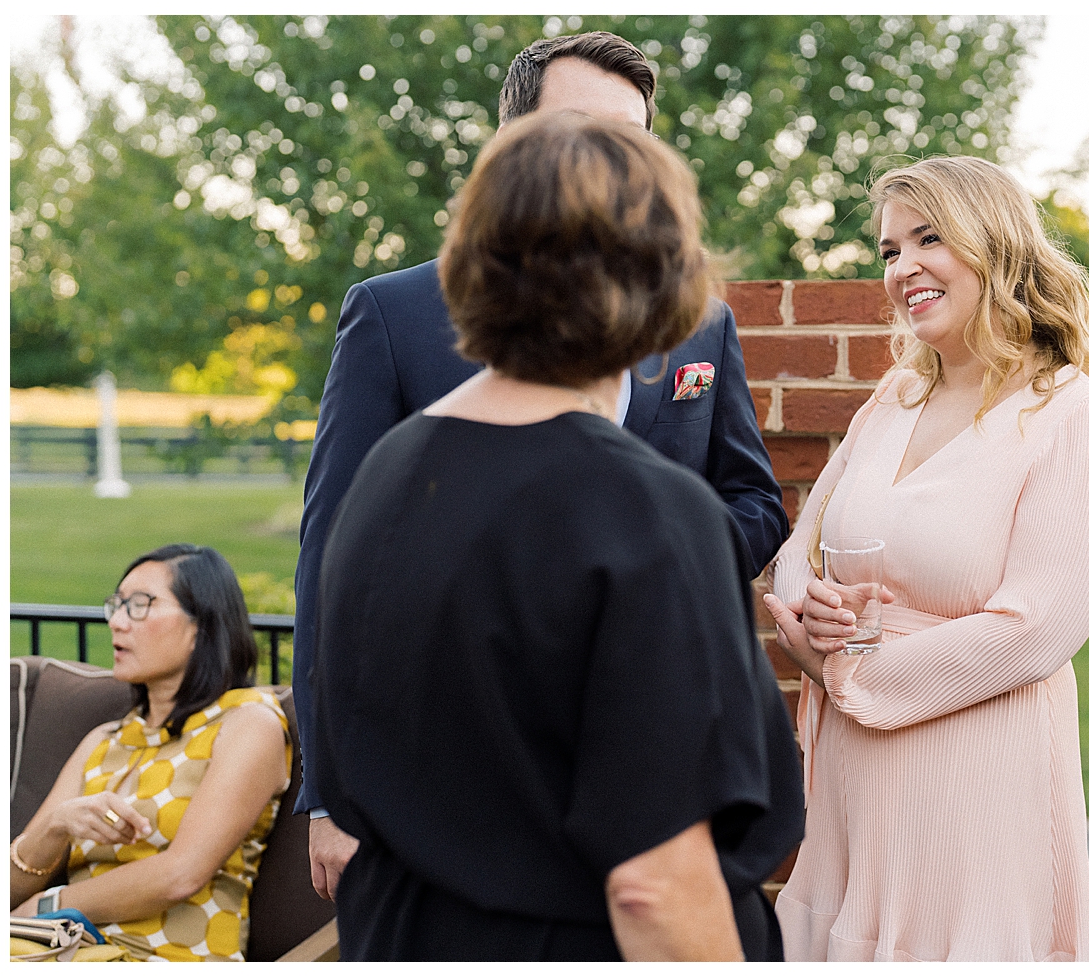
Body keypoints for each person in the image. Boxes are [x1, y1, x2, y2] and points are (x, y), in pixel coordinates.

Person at [295, 30, 787, 899]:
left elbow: (750, 496)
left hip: (650, 751)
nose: (607, 159)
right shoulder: (394, 314)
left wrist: (654, 555)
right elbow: (333, 563)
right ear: (508, 148)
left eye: (632, 137)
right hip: (454, 779)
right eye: (578, 127)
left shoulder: (701, 322)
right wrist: (330, 794)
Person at [762, 155, 1089, 962]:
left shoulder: (1082, 417)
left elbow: (1032, 630)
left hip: (973, 780)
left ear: (994, 243)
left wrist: (847, 674)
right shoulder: (897, 394)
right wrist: (805, 609)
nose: (903, 268)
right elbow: (806, 540)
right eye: (889, 250)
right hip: (848, 778)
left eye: (927, 238)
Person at [9, 545, 290, 962]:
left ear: (201, 625)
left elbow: (181, 874)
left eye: (140, 606)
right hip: (61, 950)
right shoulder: (105, 739)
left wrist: (49, 906)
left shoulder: (247, 723)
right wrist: (54, 826)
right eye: (117, 606)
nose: (117, 622)